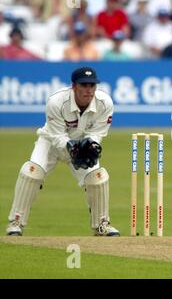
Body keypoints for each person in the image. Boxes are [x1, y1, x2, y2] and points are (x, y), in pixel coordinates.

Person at [6, 67, 120, 237]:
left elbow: (98, 133)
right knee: (32, 173)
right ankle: (16, 222)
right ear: (74, 86)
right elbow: (57, 135)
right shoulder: (56, 102)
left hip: (82, 145)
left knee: (98, 178)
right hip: (51, 142)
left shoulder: (105, 103)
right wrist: (72, 147)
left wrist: (90, 145)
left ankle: (101, 224)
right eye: (84, 85)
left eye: (92, 85)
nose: (89, 90)